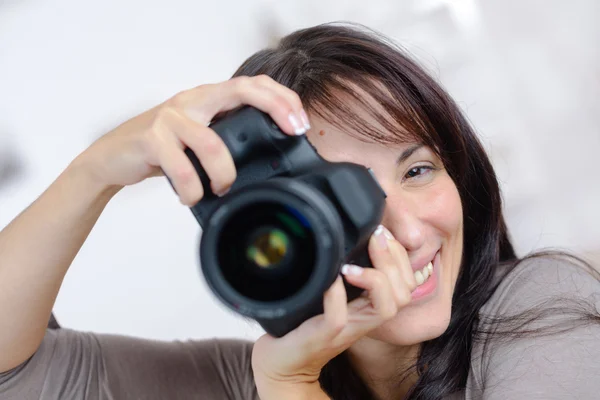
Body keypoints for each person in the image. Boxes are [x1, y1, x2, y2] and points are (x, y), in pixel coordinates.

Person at [0, 22, 599, 400]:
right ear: (269, 232)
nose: (409, 232)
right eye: (346, 197)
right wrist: (94, 172)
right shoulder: (249, 378)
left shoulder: (540, 304)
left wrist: (290, 389)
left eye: (417, 171)